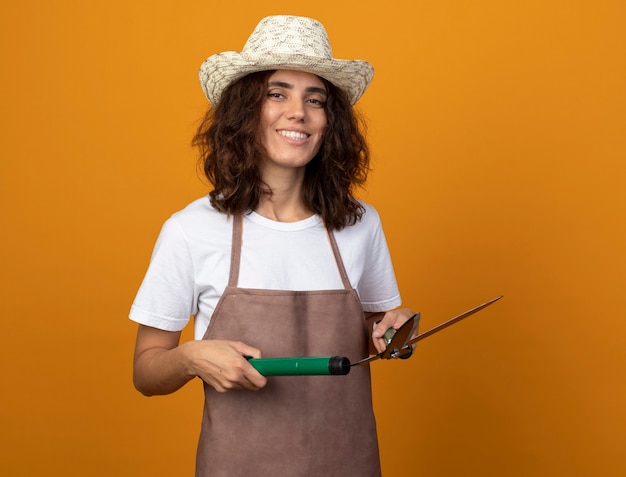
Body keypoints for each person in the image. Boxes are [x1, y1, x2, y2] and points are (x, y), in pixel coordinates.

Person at [130, 15, 416, 477]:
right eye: (276, 93)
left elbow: (372, 330)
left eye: (315, 99)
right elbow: (146, 373)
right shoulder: (192, 229)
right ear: (245, 110)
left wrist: (391, 330)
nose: (297, 112)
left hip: (348, 463)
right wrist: (189, 358)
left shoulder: (361, 224)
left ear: (331, 121)